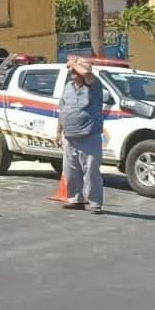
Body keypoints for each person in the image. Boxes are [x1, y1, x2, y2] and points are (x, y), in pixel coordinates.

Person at [58, 54, 105, 213]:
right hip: (70, 136)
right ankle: (75, 199)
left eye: (75, 69)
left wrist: (74, 63)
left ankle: (94, 203)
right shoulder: (68, 86)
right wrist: (58, 132)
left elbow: (86, 74)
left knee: (91, 171)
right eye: (71, 69)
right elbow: (62, 110)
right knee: (71, 171)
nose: (72, 71)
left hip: (89, 135)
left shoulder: (94, 84)